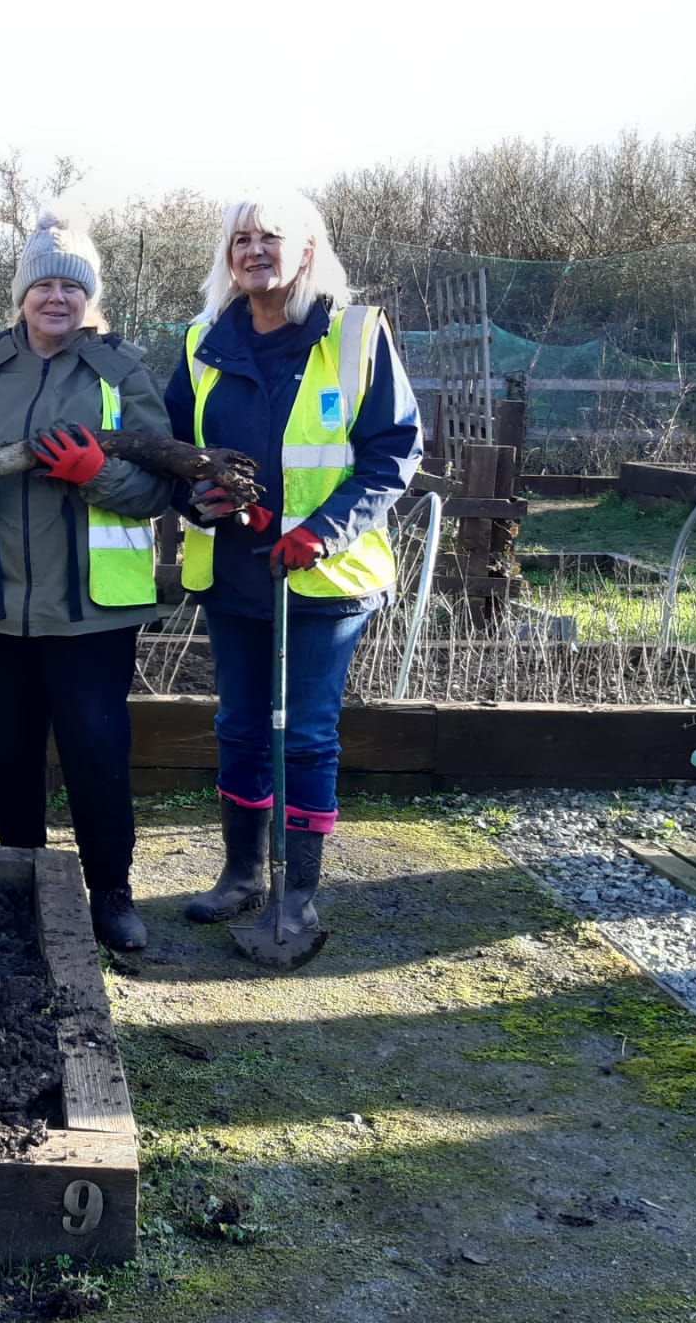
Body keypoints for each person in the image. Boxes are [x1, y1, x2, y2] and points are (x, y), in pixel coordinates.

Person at [168, 191, 422, 941]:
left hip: (324, 580)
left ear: (307, 250)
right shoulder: (201, 341)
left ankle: (298, 893)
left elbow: (393, 453)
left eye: (269, 238)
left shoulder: (355, 336)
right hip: (235, 571)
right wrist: (198, 501)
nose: (253, 251)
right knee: (240, 727)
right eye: (240, 239)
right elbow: (177, 452)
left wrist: (322, 531)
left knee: (304, 733)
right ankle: (243, 874)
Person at [0, 213, 174, 951]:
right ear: (22, 294)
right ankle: (22, 881)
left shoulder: (120, 371)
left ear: (89, 296)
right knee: (9, 749)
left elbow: (162, 485)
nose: (56, 297)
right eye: (43, 282)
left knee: (95, 749)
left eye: (72, 284)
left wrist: (100, 474)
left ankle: (111, 893)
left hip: (91, 607)